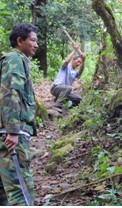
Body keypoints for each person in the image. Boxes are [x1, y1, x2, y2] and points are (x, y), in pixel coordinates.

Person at [0, 22, 38, 205]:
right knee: (20, 190)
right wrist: (13, 130)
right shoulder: (15, 59)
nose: (36, 45)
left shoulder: (10, 60)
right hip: (11, 135)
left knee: (5, 192)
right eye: (33, 40)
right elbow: (11, 92)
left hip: (4, 132)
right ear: (19, 40)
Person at [50, 44, 86, 108]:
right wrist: (74, 50)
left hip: (65, 91)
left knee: (79, 99)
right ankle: (57, 105)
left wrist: (83, 61)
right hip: (55, 88)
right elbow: (66, 61)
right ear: (73, 60)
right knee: (68, 88)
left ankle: (61, 101)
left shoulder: (74, 73)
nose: (79, 64)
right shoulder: (66, 67)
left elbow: (80, 72)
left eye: (80, 63)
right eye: (78, 61)